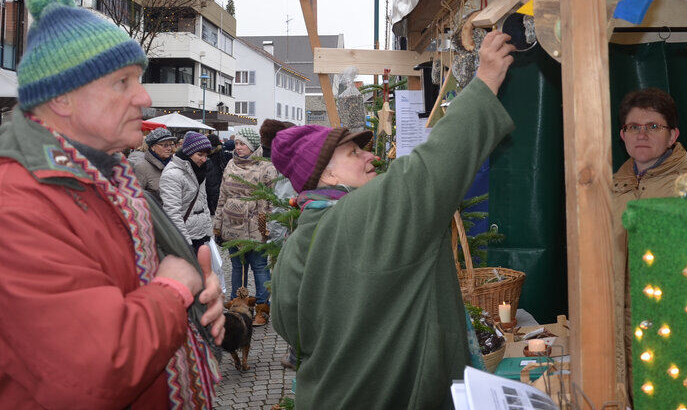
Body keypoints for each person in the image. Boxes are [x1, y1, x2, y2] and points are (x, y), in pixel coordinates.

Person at [0, 0, 223, 408]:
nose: (144, 97)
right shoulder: (10, 203)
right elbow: (93, 367)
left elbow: (131, 279)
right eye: (122, 82)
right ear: (63, 99)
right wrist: (174, 291)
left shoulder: (110, 181)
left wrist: (198, 296)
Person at [271, 31, 515, 409]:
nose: (370, 157)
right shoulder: (361, 215)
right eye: (353, 152)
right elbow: (432, 169)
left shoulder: (294, 246)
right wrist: (486, 81)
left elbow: (289, 328)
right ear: (327, 176)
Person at [610, 87, 687, 400]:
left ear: (673, 135)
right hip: (619, 333)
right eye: (633, 127)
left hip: (673, 334)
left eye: (653, 126)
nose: (642, 134)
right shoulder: (610, 186)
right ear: (622, 135)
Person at [214, 127, 278, 326]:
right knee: (236, 266)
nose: (238, 147)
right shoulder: (231, 164)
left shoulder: (265, 167)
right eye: (238, 143)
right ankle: (237, 305)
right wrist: (217, 225)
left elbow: (272, 199)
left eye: (243, 144)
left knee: (259, 266)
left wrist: (267, 225)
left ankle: (262, 308)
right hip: (232, 224)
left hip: (255, 225)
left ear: (252, 146)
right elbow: (222, 196)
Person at [160, 131, 215, 250]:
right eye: (200, 154)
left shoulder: (199, 170)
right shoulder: (172, 174)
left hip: (199, 235)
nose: (204, 159)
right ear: (188, 153)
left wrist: (208, 232)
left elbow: (203, 202)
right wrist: (185, 243)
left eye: (206, 155)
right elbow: (172, 212)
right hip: (185, 239)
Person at [131, 126, 178, 200]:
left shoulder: (175, 164)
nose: (169, 148)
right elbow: (136, 197)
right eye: (165, 145)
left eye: (171, 144)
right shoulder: (141, 167)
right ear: (153, 147)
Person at [204, 133, 230, 215]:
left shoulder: (205, 151)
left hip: (206, 172)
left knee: (206, 191)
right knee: (215, 191)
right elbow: (223, 163)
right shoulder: (219, 150)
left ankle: (208, 208)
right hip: (216, 173)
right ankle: (214, 209)